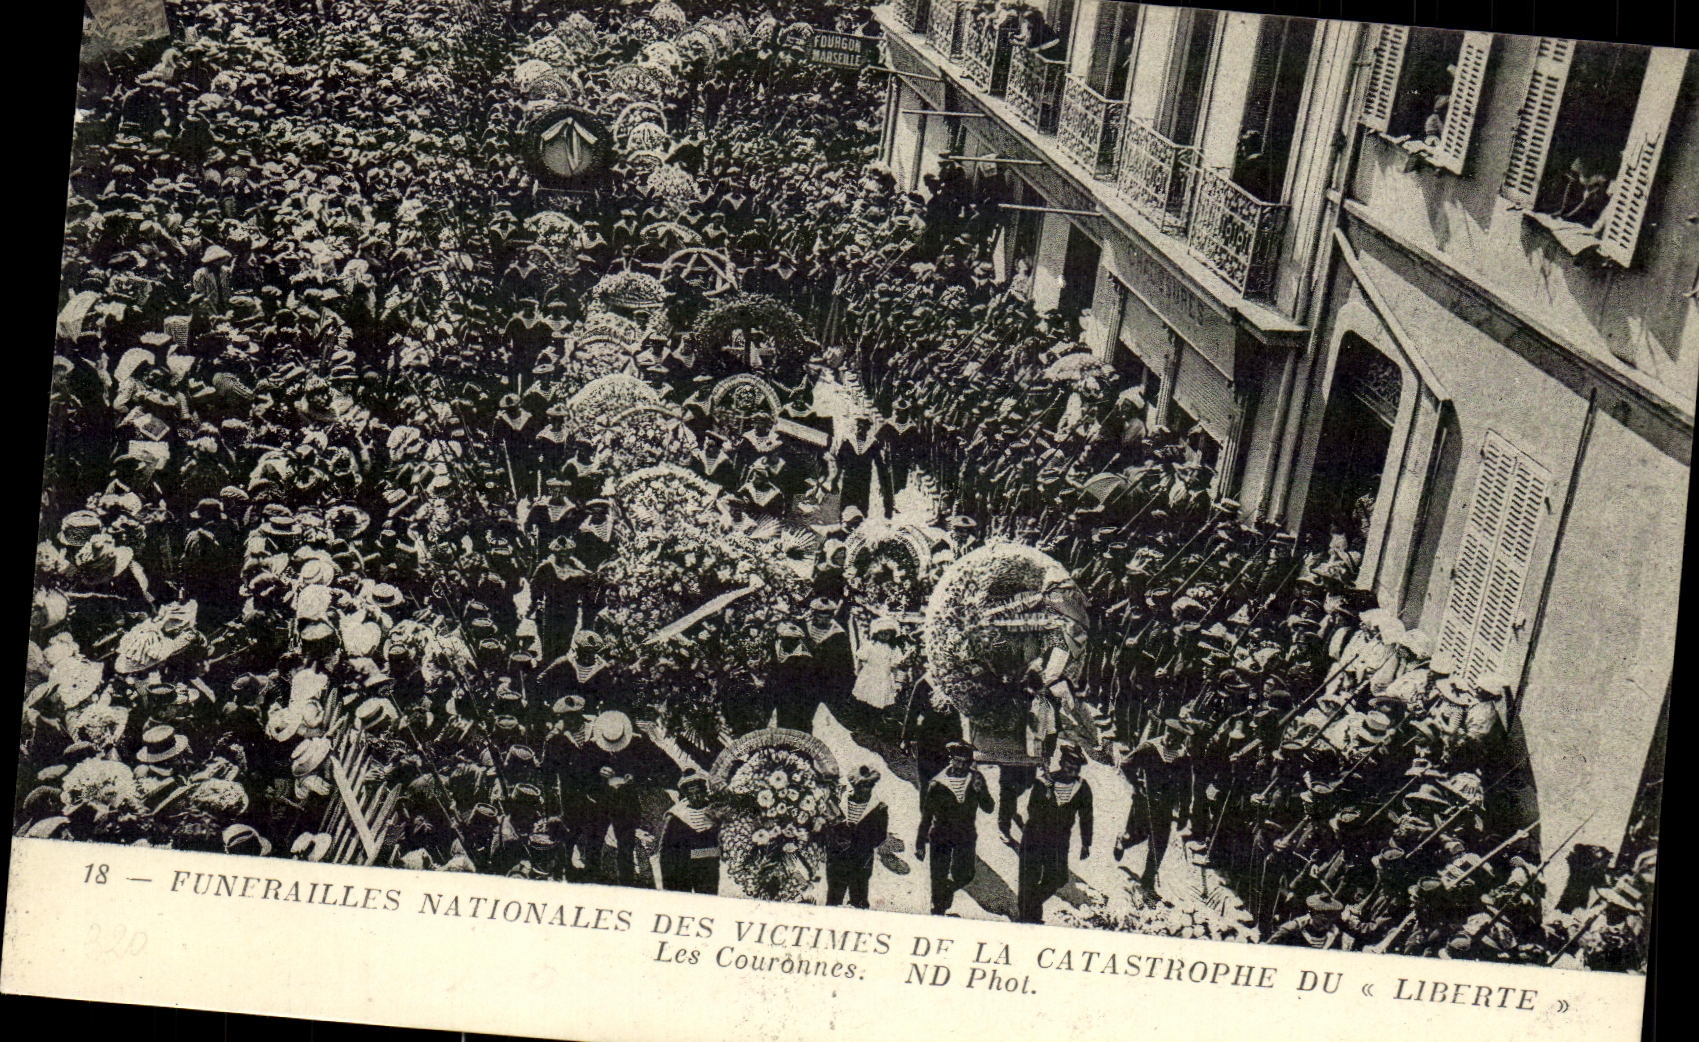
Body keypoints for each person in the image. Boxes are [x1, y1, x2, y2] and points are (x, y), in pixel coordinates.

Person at [1015, 742, 1092, 924]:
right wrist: (1047, 797)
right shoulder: (1044, 782)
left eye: (1076, 766)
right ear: (1061, 762)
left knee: (1058, 878)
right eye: (1069, 763)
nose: (1072, 768)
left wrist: (1086, 843)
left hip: (1059, 841)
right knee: (1029, 879)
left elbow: (1086, 816)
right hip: (1034, 837)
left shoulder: (1082, 787)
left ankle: (1030, 908)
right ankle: (1028, 919)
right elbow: (1032, 810)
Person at [915, 740, 993, 916]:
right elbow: (926, 816)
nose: (960, 766)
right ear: (951, 759)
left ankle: (947, 890)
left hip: (966, 834)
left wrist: (981, 791)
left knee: (966, 874)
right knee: (938, 875)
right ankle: (938, 910)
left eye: (965, 762)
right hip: (940, 835)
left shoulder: (976, 779)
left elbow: (989, 808)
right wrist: (920, 843)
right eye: (957, 760)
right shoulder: (937, 784)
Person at [824, 765, 887, 909]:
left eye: (870, 785)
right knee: (833, 899)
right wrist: (838, 839)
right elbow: (828, 827)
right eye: (863, 785)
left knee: (859, 900)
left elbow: (880, 836)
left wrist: (859, 839)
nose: (867, 789)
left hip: (862, 860)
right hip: (837, 859)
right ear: (854, 785)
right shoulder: (840, 802)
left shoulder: (879, 808)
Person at [658, 771, 721, 895]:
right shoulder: (677, 816)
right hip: (683, 870)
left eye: (698, 792)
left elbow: (720, 846)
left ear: (704, 792)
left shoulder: (716, 812)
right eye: (691, 794)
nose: (696, 797)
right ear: (686, 795)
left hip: (708, 870)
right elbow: (666, 851)